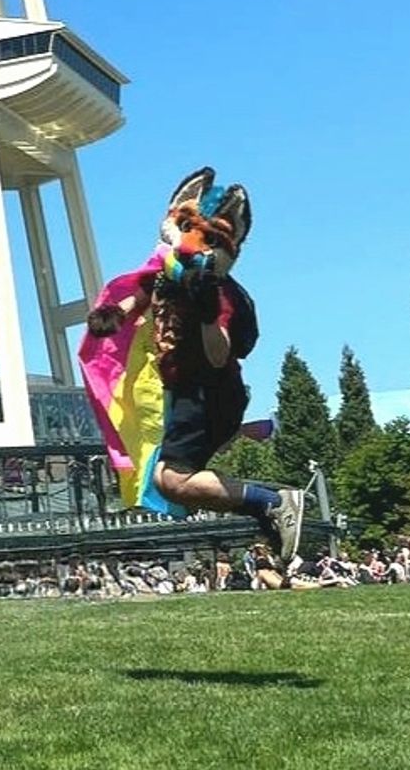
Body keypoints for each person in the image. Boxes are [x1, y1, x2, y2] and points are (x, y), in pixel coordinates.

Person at [79, 166, 305, 564]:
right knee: (171, 480)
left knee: (172, 479)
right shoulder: (167, 278)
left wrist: (204, 312)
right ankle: (264, 506)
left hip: (209, 392)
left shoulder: (220, 294)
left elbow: (220, 355)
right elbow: (137, 301)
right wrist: (113, 315)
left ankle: (272, 502)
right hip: (182, 392)